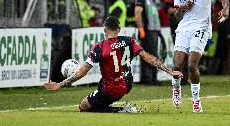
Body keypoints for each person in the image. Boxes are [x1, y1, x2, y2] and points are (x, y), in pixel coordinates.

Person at [44, 16, 182, 113]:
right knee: (101, 88)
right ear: (119, 29)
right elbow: (149, 58)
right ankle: (113, 105)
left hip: (112, 88)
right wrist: (170, 72)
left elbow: (82, 71)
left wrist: (60, 84)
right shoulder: (129, 41)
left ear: (105, 30)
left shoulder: (99, 47)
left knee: (83, 107)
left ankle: (122, 110)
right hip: (127, 83)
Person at [170, 0, 230, 112]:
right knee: (177, 65)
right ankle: (176, 90)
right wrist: (182, 7)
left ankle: (196, 99)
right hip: (184, 28)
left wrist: (225, 8)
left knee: (191, 64)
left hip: (201, 27)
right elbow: (176, 15)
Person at [134, 0, 161, 85]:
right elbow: (137, 13)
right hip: (147, 31)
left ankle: (152, 78)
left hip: (153, 30)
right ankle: (148, 79)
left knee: (153, 54)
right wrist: (141, 29)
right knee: (149, 55)